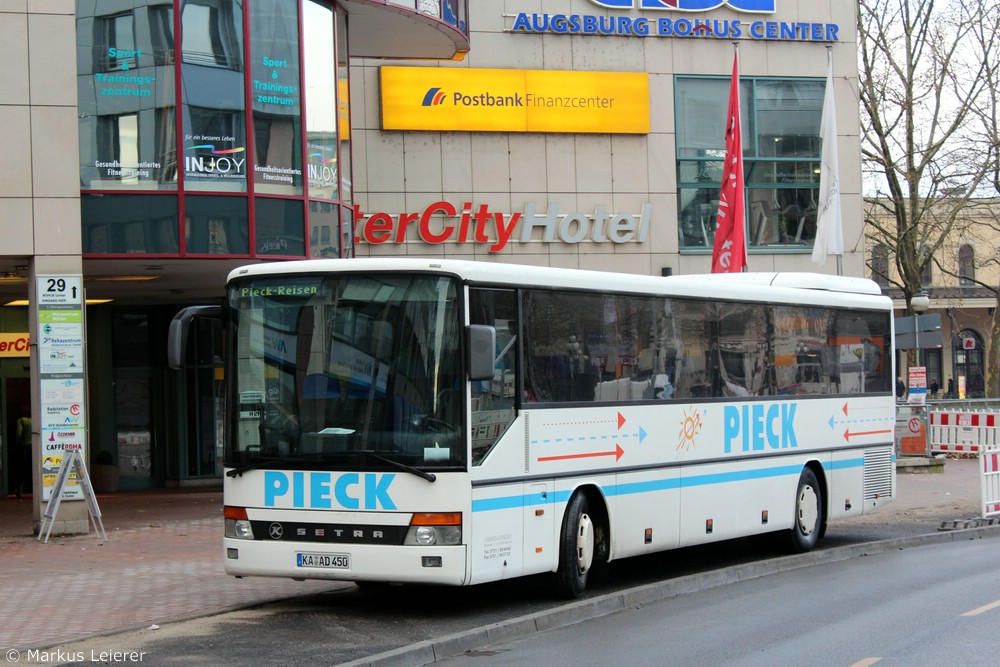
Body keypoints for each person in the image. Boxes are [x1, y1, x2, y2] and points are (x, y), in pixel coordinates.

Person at [13, 412, 32, 498]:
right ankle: (32, 488)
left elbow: (18, 434)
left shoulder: (20, 421)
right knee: (31, 467)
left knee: (22, 468)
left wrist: (17, 443)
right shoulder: (33, 420)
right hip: (33, 446)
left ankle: (20, 490)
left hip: (24, 446)